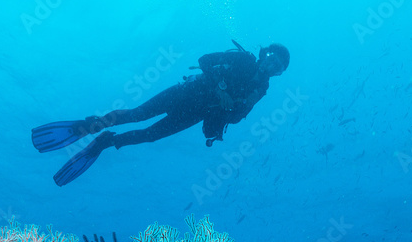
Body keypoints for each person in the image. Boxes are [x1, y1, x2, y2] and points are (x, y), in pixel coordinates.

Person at [32, 41, 290, 186]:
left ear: (278, 73)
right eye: (270, 57)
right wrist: (220, 87)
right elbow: (204, 60)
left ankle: (107, 142)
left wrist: (232, 109)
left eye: (277, 66)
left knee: (150, 136)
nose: (271, 65)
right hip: (187, 93)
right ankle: (92, 125)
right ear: (263, 53)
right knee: (138, 114)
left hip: (196, 114)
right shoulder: (243, 60)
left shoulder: (262, 89)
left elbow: (235, 118)